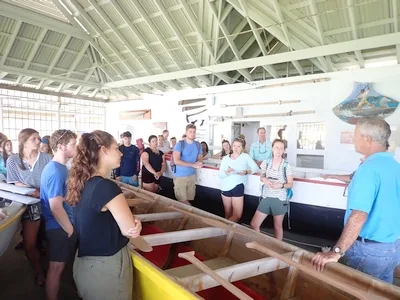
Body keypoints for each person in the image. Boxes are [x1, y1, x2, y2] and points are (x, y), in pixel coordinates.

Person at [311, 116, 400, 284]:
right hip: (393, 247)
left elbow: (358, 215)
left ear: (367, 139)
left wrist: (336, 251)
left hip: (368, 251)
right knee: (380, 293)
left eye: (356, 134)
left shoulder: (368, 169)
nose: (353, 138)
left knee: (351, 291)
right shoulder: (395, 165)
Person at [66, 130, 142, 300]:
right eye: (116, 148)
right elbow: (130, 230)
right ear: (104, 150)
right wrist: (136, 223)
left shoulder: (82, 182)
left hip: (84, 264)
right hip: (106, 268)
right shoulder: (106, 187)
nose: (121, 152)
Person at [6, 128, 51, 285]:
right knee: (30, 243)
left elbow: (52, 181)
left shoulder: (47, 158)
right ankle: (39, 271)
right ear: (24, 142)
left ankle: (52, 268)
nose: (39, 141)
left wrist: (38, 191)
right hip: (29, 204)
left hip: (49, 202)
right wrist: (35, 191)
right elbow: (15, 184)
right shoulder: (13, 160)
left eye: (39, 138)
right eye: (34, 139)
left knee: (51, 238)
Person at [40, 130, 78, 300]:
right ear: (61, 146)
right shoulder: (56, 171)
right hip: (59, 227)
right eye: (73, 144)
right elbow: (55, 206)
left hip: (60, 225)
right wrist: (69, 228)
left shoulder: (60, 168)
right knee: (56, 268)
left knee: (59, 267)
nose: (76, 147)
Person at [250, 139, 293, 240]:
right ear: (272, 148)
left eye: (281, 148)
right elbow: (262, 176)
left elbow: (290, 184)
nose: (278, 150)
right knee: (254, 224)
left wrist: (281, 185)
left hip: (279, 199)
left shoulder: (286, 165)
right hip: (266, 197)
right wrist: (264, 179)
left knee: (277, 227)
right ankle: (261, 245)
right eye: (276, 147)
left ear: (284, 150)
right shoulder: (267, 162)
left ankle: (277, 250)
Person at [218, 138, 259, 222]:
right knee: (228, 213)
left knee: (236, 215)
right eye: (234, 146)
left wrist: (247, 172)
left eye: (238, 146)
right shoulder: (225, 158)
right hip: (225, 187)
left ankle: (224, 230)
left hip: (238, 187)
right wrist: (227, 172)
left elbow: (256, 168)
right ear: (231, 146)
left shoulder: (245, 157)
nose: (236, 148)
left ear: (242, 147)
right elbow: (220, 175)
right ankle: (227, 233)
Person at [172, 124, 203, 205]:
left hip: (191, 175)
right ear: (186, 132)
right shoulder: (180, 144)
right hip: (180, 176)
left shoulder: (198, 145)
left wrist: (199, 162)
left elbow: (200, 157)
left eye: (194, 132)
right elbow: (176, 161)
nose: (192, 133)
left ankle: (186, 216)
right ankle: (191, 215)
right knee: (182, 200)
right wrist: (193, 165)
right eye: (190, 132)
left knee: (189, 198)